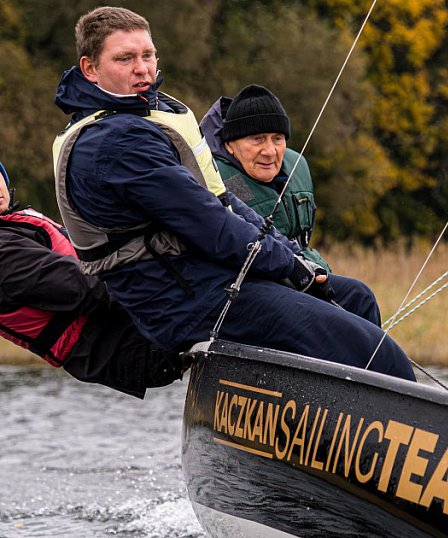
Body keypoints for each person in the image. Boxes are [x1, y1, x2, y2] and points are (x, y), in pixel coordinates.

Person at [52, 6, 415, 381]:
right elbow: (209, 223)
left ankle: (324, 411)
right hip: (184, 302)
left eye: (148, 55)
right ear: (90, 68)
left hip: (210, 279)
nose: (142, 69)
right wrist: (289, 267)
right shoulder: (114, 142)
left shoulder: (147, 118)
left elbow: (223, 199)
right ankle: (404, 415)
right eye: (125, 58)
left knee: (355, 298)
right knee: (373, 349)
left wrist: (293, 257)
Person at [200, 85, 382, 326]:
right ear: (229, 145)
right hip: (250, 291)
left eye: (277, 138)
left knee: (360, 298)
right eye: (257, 139)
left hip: (302, 277)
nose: (270, 151)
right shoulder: (216, 180)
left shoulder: (298, 166)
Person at [0, 161, 184, 398]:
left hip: (139, 327)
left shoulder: (15, 227)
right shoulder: (4, 253)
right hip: (127, 344)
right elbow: (83, 288)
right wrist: (165, 284)